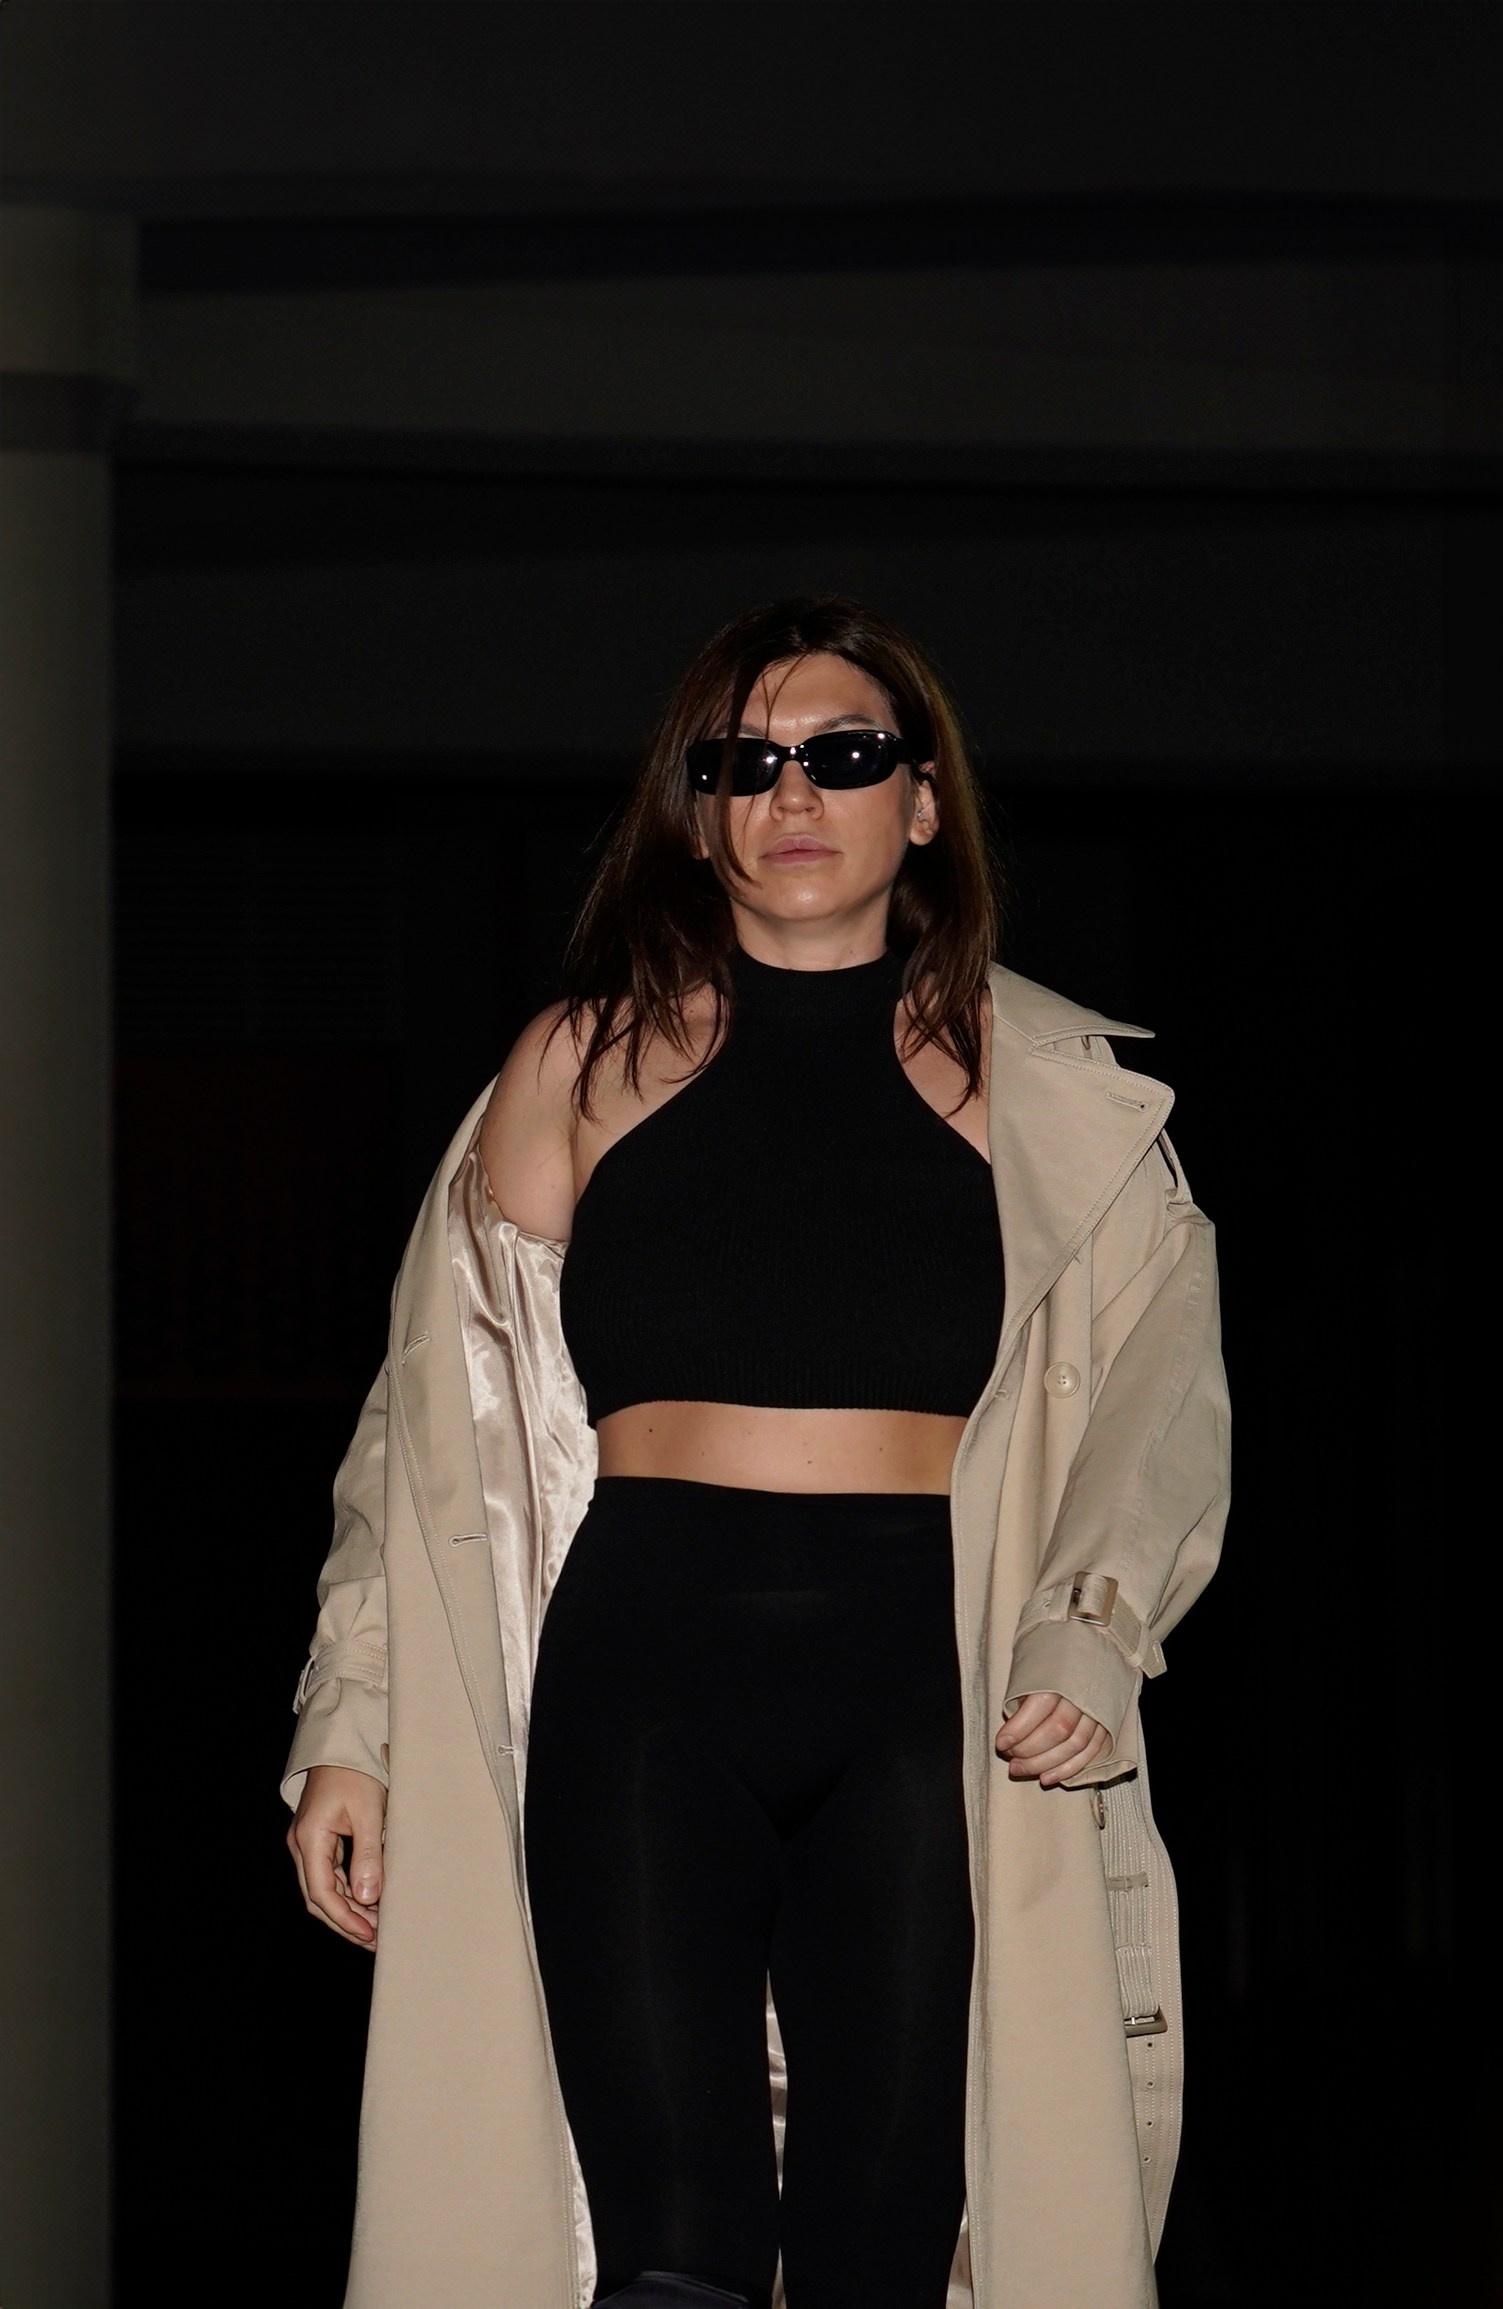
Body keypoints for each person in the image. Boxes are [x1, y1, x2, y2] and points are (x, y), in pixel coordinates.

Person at [283, 596, 1230, 2309]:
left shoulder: (1064, 1096)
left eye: (844, 754)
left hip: (935, 1692)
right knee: (673, 2249)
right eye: (743, 761)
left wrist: (1094, 1621)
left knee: (889, 2245)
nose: (792, 793)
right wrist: (356, 1719)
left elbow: (1163, 1411)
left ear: (922, 802)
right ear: (698, 809)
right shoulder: (578, 1064)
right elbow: (421, 1427)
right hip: (645, 1665)